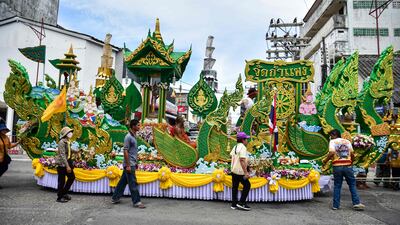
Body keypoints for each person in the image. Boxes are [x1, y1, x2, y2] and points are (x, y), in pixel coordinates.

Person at [323, 129, 365, 210]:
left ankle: (336, 205)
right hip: (347, 166)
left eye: (331, 135)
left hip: (337, 166)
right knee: (352, 184)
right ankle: (356, 203)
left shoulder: (332, 142)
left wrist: (325, 160)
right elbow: (352, 154)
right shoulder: (347, 141)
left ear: (334, 134)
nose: (330, 137)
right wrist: (351, 162)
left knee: (337, 185)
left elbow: (331, 152)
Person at [111, 119, 145, 208]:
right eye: (138, 125)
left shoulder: (134, 136)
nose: (139, 127)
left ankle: (115, 197)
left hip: (132, 163)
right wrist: (128, 165)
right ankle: (136, 202)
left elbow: (133, 152)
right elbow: (125, 151)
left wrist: (135, 162)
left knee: (123, 181)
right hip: (129, 164)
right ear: (133, 126)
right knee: (133, 183)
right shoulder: (128, 137)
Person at [230, 132, 251, 211]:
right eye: (246, 139)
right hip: (240, 172)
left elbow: (232, 156)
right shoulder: (242, 147)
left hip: (234, 171)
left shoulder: (235, 146)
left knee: (235, 187)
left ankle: (234, 204)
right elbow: (242, 160)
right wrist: (246, 172)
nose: (247, 141)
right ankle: (241, 203)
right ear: (243, 140)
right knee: (247, 185)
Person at [55, 126, 76, 203]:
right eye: (69, 132)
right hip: (62, 164)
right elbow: (62, 155)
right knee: (62, 181)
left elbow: (69, 150)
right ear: (65, 134)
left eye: (71, 132)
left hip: (67, 162)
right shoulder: (61, 142)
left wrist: (77, 151)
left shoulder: (67, 141)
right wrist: (67, 166)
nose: (71, 133)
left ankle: (64, 193)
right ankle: (59, 197)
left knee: (72, 177)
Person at [0, 123, 19, 188]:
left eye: (5, 130)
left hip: (4, 157)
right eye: (3, 130)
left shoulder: (6, 137)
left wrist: (17, 143)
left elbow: (9, 146)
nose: (4, 131)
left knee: (5, 168)